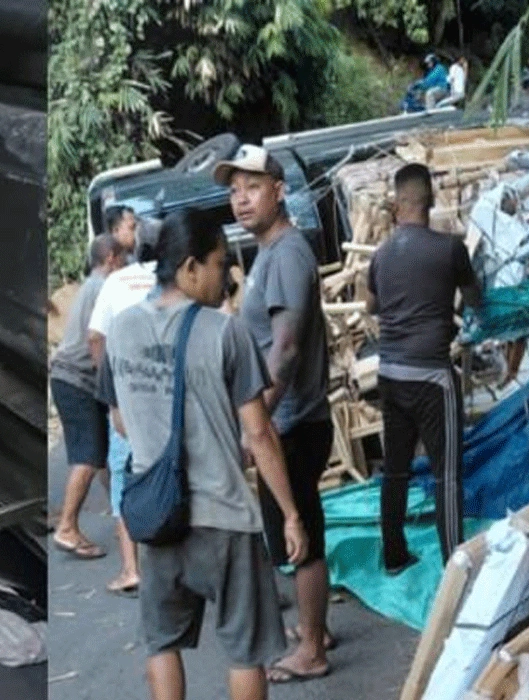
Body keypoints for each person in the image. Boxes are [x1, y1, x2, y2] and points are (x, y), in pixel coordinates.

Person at [97, 208, 307, 700]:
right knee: (243, 650)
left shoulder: (122, 331)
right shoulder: (224, 332)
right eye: (219, 264)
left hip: (156, 515)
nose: (227, 277)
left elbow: (119, 419)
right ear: (190, 268)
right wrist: (291, 514)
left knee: (162, 643)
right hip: (225, 520)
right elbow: (258, 433)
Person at [214, 144, 333, 683]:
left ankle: (312, 649)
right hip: (282, 421)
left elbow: (284, 349)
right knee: (290, 530)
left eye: (253, 187)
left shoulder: (286, 255)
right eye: (235, 190)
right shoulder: (269, 253)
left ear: (279, 191)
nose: (241, 200)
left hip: (292, 422)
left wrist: (257, 419)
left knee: (301, 532)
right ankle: (316, 628)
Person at [366, 163, 482, 573]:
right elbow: (475, 300)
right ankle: (457, 568)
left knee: (395, 470)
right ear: (431, 201)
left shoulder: (380, 256)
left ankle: (394, 556)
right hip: (432, 377)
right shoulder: (451, 249)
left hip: (391, 374)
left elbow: (371, 307)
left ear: (397, 204)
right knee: (447, 474)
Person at [88, 235, 160, 595]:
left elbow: (95, 337)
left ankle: (132, 569)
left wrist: (110, 384)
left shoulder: (115, 282)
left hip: (128, 395)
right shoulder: (171, 275)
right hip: (167, 392)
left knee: (122, 477)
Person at [51, 233, 127, 560]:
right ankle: (67, 526)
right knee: (89, 456)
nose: (124, 264)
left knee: (103, 450)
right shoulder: (103, 287)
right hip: (77, 379)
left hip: (71, 377)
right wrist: (111, 386)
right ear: (110, 257)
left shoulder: (91, 284)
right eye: (122, 258)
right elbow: (98, 339)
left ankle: (122, 516)